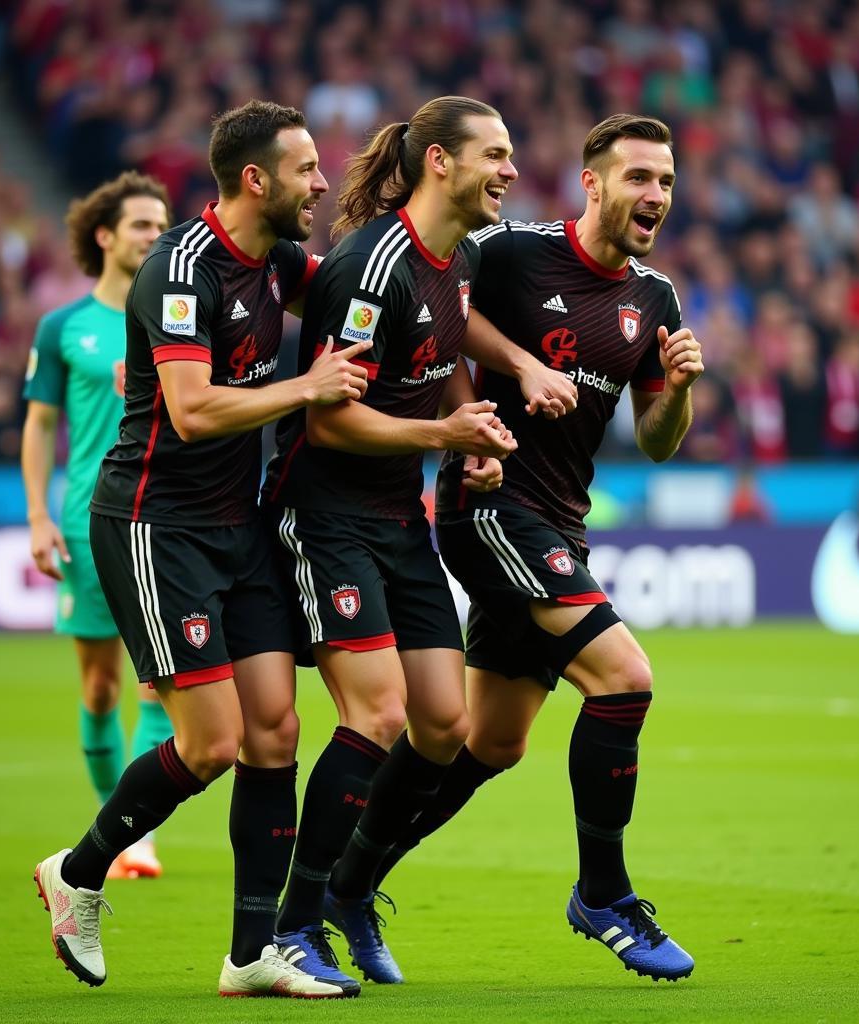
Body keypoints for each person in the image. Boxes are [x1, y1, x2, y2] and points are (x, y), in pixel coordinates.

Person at [33, 100, 374, 1000]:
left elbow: (352, 286)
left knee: (276, 730)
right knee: (215, 742)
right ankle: (78, 871)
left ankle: (251, 952)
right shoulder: (180, 269)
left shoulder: (279, 264)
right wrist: (306, 385)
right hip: (156, 526)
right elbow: (191, 411)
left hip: (241, 524)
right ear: (256, 178)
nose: (320, 184)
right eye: (306, 169)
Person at [367, 113, 702, 983]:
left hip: (561, 519)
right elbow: (435, 315)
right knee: (625, 680)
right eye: (638, 178)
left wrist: (681, 393)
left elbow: (658, 437)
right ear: (591, 184)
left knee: (489, 741)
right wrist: (506, 380)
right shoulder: (512, 251)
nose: (655, 196)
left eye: (665, 181)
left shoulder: (654, 298)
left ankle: (343, 883)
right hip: (490, 505)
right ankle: (604, 894)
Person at [260, 95, 577, 993]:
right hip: (325, 515)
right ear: (439, 162)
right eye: (497, 154)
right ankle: (293, 926)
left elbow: (445, 343)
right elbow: (328, 423)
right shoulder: (372, 265)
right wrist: (447, 440)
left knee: (446, 724)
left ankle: (351, 890)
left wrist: (472, 408)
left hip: (397, 515)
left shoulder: (459, 255)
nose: (512, 171)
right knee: (380, 715)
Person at [22, 171, 174, 881]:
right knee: (100, 688)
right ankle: (111, 818)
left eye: (162, 224)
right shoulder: (63, 328)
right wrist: (37, 517)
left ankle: (132, 837)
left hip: (165, 518)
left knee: (158, 682)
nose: (155, 235)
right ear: (105, 236)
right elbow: (41, 423)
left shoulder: (176, 314)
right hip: (87, 522)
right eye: (142, 224)